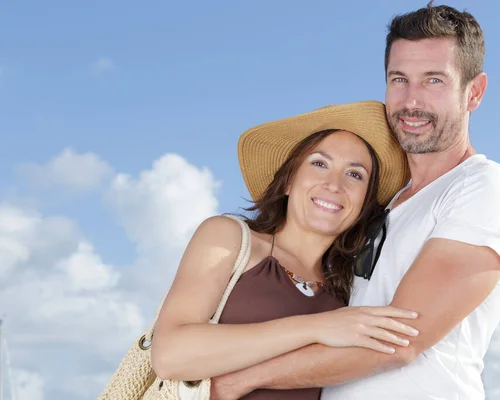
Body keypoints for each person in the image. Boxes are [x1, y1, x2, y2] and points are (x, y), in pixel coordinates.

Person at [209, 2, 500, 399]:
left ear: (474, 92)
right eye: (399, 79)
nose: (412, 101)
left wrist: (239, 380)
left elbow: (401, 341)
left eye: (433, 81)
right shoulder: (385, 204)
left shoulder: (483, 188)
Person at [150, 100, 420, 400]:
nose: (334, 184)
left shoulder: (349, 294)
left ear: (365, 203)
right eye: (319, 164)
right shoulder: (229, 239)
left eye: (355, 174)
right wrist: (316, 327)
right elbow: (170, 355)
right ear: (289, 179)